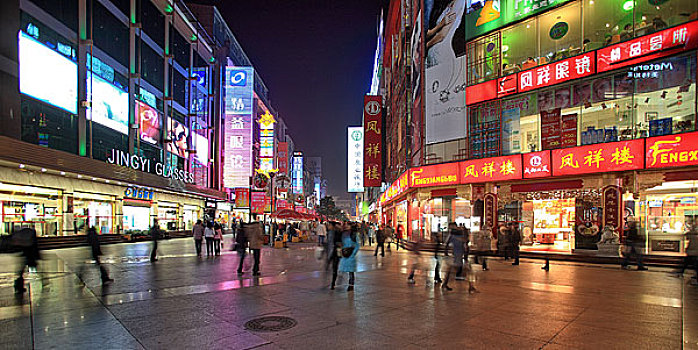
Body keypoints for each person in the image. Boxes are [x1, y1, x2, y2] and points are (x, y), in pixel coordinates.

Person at [442, 223, 477, 293]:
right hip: (458, 256)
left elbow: (446, 245)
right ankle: (471, 287)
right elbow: (465, 247)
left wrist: (446, 253)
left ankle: (445, 284)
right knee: (468, 271)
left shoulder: (452, 236)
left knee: (451, 271)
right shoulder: (461, 238)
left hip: (455, 256)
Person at [12, 227, 40, 293]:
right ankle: (19, 285)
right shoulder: (31, 239)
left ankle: (18, 285)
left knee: (21, 271)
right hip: (30, 256)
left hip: (26, 256)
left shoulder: (24, 241)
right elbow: (34, 248)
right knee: (37, 269)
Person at [338, 222, 360, 292]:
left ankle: (351, 285)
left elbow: (357, 245)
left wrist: (353, 254)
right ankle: (339, 280)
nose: (346, 226)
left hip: (350, 254)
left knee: (351, 271)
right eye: (346, 225)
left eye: (348, 225)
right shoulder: (343, 233)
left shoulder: (354, 234)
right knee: (341, 268)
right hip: (344, 253)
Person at [329, 222, 343, 289]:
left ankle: (333, 283)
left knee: (336, 267)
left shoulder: (340, 232)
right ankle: (333, 283)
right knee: (335, 268)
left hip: (339, 251)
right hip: (335, 252)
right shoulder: (332, 232)